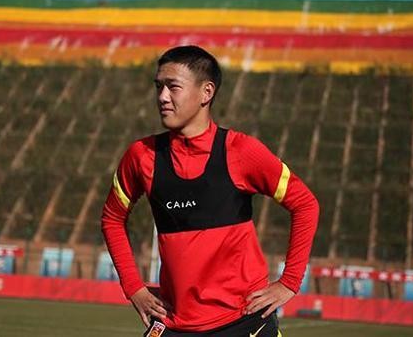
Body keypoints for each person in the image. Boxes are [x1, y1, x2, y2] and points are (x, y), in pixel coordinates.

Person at [101, 45, 319, 336]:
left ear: (206, 92)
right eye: (159, 87)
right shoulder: (141, 156)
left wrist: (289, 282)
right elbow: (112, 218)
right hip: (174, 322)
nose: (162, 97)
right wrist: (133, 288)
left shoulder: (242, 151)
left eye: (173, 87)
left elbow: (305, 203)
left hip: (244, 321)